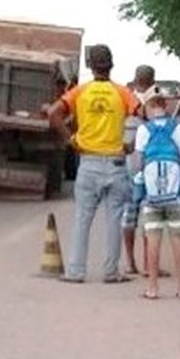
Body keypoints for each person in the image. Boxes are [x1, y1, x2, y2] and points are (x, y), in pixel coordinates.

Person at [49, 44, 140, 284]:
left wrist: (70, 140)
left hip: (88, 161)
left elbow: (53, 113)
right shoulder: (123, 93)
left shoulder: (79, 92)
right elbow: (146, 114)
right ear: (111, 65)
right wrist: (130, 145)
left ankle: (75, 271)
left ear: (90, 66)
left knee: (82, 218)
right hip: (116, 162)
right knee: (114, 219)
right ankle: (111, 272)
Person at [133, 85, 180, 300]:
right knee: (178, 238)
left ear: (148, 106)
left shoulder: (143, 130)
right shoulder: (178, 128)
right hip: (175, 194)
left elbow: (138, 162)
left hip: (152, 196)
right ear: (165, 105)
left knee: (153, 237)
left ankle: (152, 287)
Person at [123, 64, 158, 275]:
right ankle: (148, 265)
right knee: (148, 216)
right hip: (148, 165)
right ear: (152, 80)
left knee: (129, 215)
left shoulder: (125, 97)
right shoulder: (153, 100)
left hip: (127, 163)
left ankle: (130, 263)